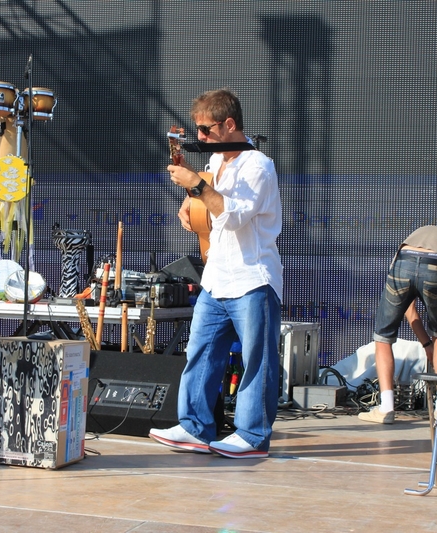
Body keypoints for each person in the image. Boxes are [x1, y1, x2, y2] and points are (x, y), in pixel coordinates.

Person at [149, 88, 283, 458]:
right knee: (201, 352)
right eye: (197, 130)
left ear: (229, 125)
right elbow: (208, 204)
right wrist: (190, 203)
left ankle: (253, 436)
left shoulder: (258, 166)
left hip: (252, 278)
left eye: (206, 130)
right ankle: (195, 428)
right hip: (216, 276)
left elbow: (234, 215)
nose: (200, 137)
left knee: (257, 360)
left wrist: (195, 185)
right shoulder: (216, 161)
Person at [359, 225, 437, 424]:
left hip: (404, 261)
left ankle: (386, 408)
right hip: (436, 265)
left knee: (383, 338)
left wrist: (426, 345)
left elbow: (409, 309)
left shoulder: (414, 240)